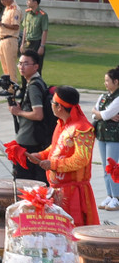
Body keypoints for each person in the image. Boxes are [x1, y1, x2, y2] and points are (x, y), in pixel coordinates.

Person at [28, 85, 99, 226]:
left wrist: (53, 164)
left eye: (52, 103)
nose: (51, 105)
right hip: (57, 190)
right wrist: (41, 155)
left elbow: (81, 160)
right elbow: (56, 148)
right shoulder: (62, 124)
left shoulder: (82, 129)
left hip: (74, 194)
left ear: (59, 107)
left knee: (72, 232)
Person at [9, 49, 55, 183]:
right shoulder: (35, 82)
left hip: (28, 141)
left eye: (26, 64)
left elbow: (38, 114)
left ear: (36, 66)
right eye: (20, 63)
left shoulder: (34, 86)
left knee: (24, 181)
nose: (21, 67)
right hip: (33, 139)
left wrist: (19, 112)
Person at [94, 67, 119, 211]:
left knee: (113, 168)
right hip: (102, 135)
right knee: (105, 168)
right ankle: (109, 194)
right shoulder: (103, 96)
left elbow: (104, 114)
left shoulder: (118, 98)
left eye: (107, 81)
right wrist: (100, 113)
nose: (105, 83)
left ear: (116, 82)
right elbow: (95, 114)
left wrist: (100, 113)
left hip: (114, 137)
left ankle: (117, 197)